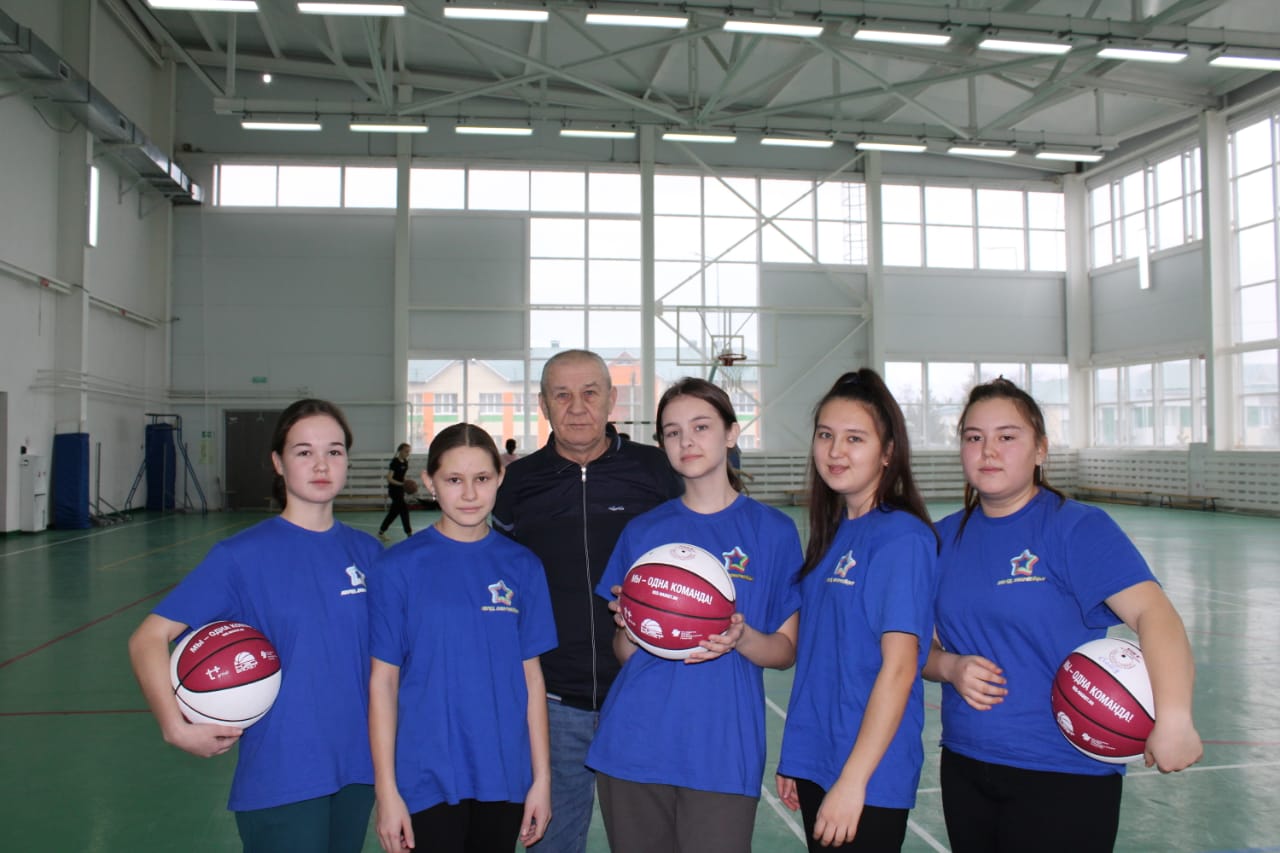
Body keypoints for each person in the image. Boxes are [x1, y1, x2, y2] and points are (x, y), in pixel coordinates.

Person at [922, 377, 1203, 853]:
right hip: (966, 763)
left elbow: (1156, 616)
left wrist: (1174, 717)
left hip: (1065, 771)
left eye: (1007, 436)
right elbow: (913, 645)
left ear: (1040, 449)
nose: (988, 450)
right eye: (974, 437)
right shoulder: (939, 539)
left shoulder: (1078, 528)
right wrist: (948, 666)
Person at [127, 399, 381, 853]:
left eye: (334, 451)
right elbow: (148, 638)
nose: (321, 464)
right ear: (278, 462)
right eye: (304, 452)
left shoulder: (369, 553)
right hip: (283, 775)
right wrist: (174, 727)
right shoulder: (241, 556)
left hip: (360, 769)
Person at [588, 377, 802, 853]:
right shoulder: (644, 531)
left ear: (731, 433)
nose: (686, 441)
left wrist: (741, 638)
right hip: (634, 745)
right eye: (672, 432)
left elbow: (785, 651)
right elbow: (624, 654)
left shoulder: (774, 531)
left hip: (722, 751)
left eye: (701, 426)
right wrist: (630, 627)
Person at [492, 349, 682, 853]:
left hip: (643, 697)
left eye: (590, 393)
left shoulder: (657, 472)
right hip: (552, 705)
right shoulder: (517, 485)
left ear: (612, 399)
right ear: (543, 405)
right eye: (562, 395)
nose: (577, 407)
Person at [368, 423, 557, 853]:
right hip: (425, 778)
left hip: (504, 775)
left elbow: (532, 680)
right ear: (430, 482)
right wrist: (386, 790)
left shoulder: (523, 566)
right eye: (454, 480)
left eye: (482, 478)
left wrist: (541, 779)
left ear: (500, 478)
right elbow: (383, 683)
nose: (470, 494)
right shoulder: (396, 568)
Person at [775, 369, 939, 852]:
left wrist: (852, 780)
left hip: (865, 775)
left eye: (854, 438)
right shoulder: (832, 534)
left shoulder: (902, 538)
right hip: (818, 758)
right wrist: (797, 755)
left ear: (887, 452)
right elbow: (818, 660)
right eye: (825, 435)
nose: (835, 451)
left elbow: (900, 668)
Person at [377, 442, 413, 541]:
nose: (407, 454)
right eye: (406, 451)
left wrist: (407, 483)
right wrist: (401, 484)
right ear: (400, 451)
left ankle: (381, 532)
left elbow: (403, 476)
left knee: (393, 513)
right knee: (404, 510)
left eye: (409, 452)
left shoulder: (405, 462)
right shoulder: (394, 462)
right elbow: (389, 478)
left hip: (400, 490)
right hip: (393, 490)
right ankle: (409, 534)